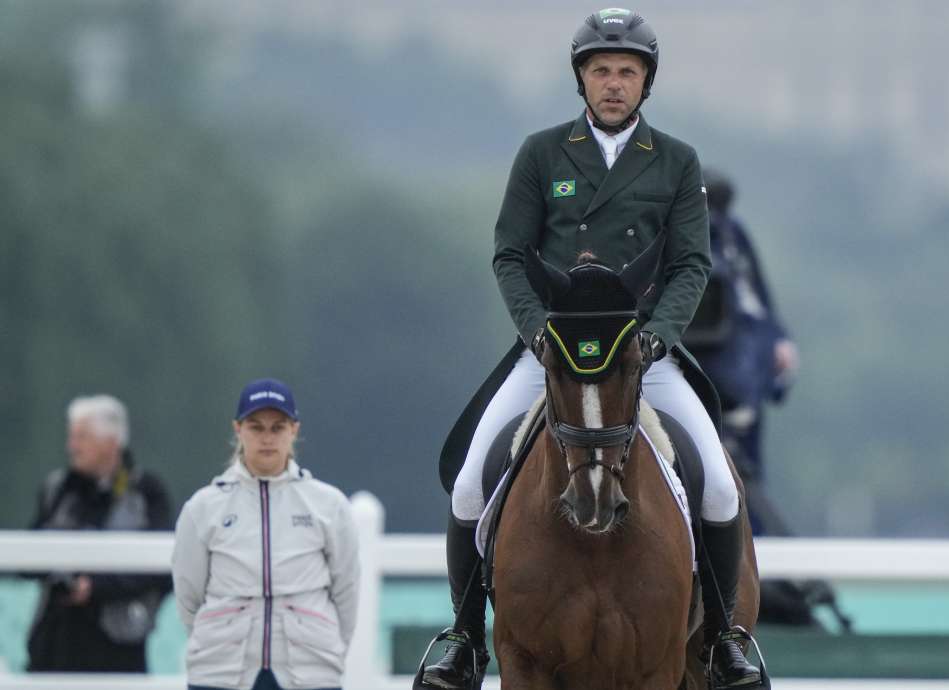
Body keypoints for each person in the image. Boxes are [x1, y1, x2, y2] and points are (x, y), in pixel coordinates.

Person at [426, 8, 761, 689]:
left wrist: (658, 335)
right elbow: (511, 255)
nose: (614, 83)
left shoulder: (674, 162)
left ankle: (725, 640)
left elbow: (692, 265)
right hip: (551, 351)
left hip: (642, 355)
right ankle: (464, 640)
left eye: (627, 72)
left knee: (721, 484)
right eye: (601, 70)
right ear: (582, 78)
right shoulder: (542, 154)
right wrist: (534, 329)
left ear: (646, 83)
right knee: (468, 482)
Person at [172, 379, 360, 690]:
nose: (267, 438)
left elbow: (347, 590)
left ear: (294, 430)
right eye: (256, 427)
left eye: (278, 427)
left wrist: (327, 647)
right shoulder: (203, 507)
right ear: (238, 429)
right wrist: (218, 635)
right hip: (220, 671)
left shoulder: (329, 504)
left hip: (309, 670)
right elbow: (188, 593)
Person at [684, 168, 799, 533]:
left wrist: (778, 347)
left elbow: (757, 304)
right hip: (695, 378)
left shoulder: (734, 236)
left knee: (742, 494)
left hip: (739, 388)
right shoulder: (676, 237)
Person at [26, 394, 173, 672]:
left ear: (111, 442)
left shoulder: (145, 494)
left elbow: (162, 570)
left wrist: (96, 586)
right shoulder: (58, 489)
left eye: (82, 437)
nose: (72, 447)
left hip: (117, 648)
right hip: (54, 643)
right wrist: (61, 576)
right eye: (72, 437)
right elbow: (28, 556)